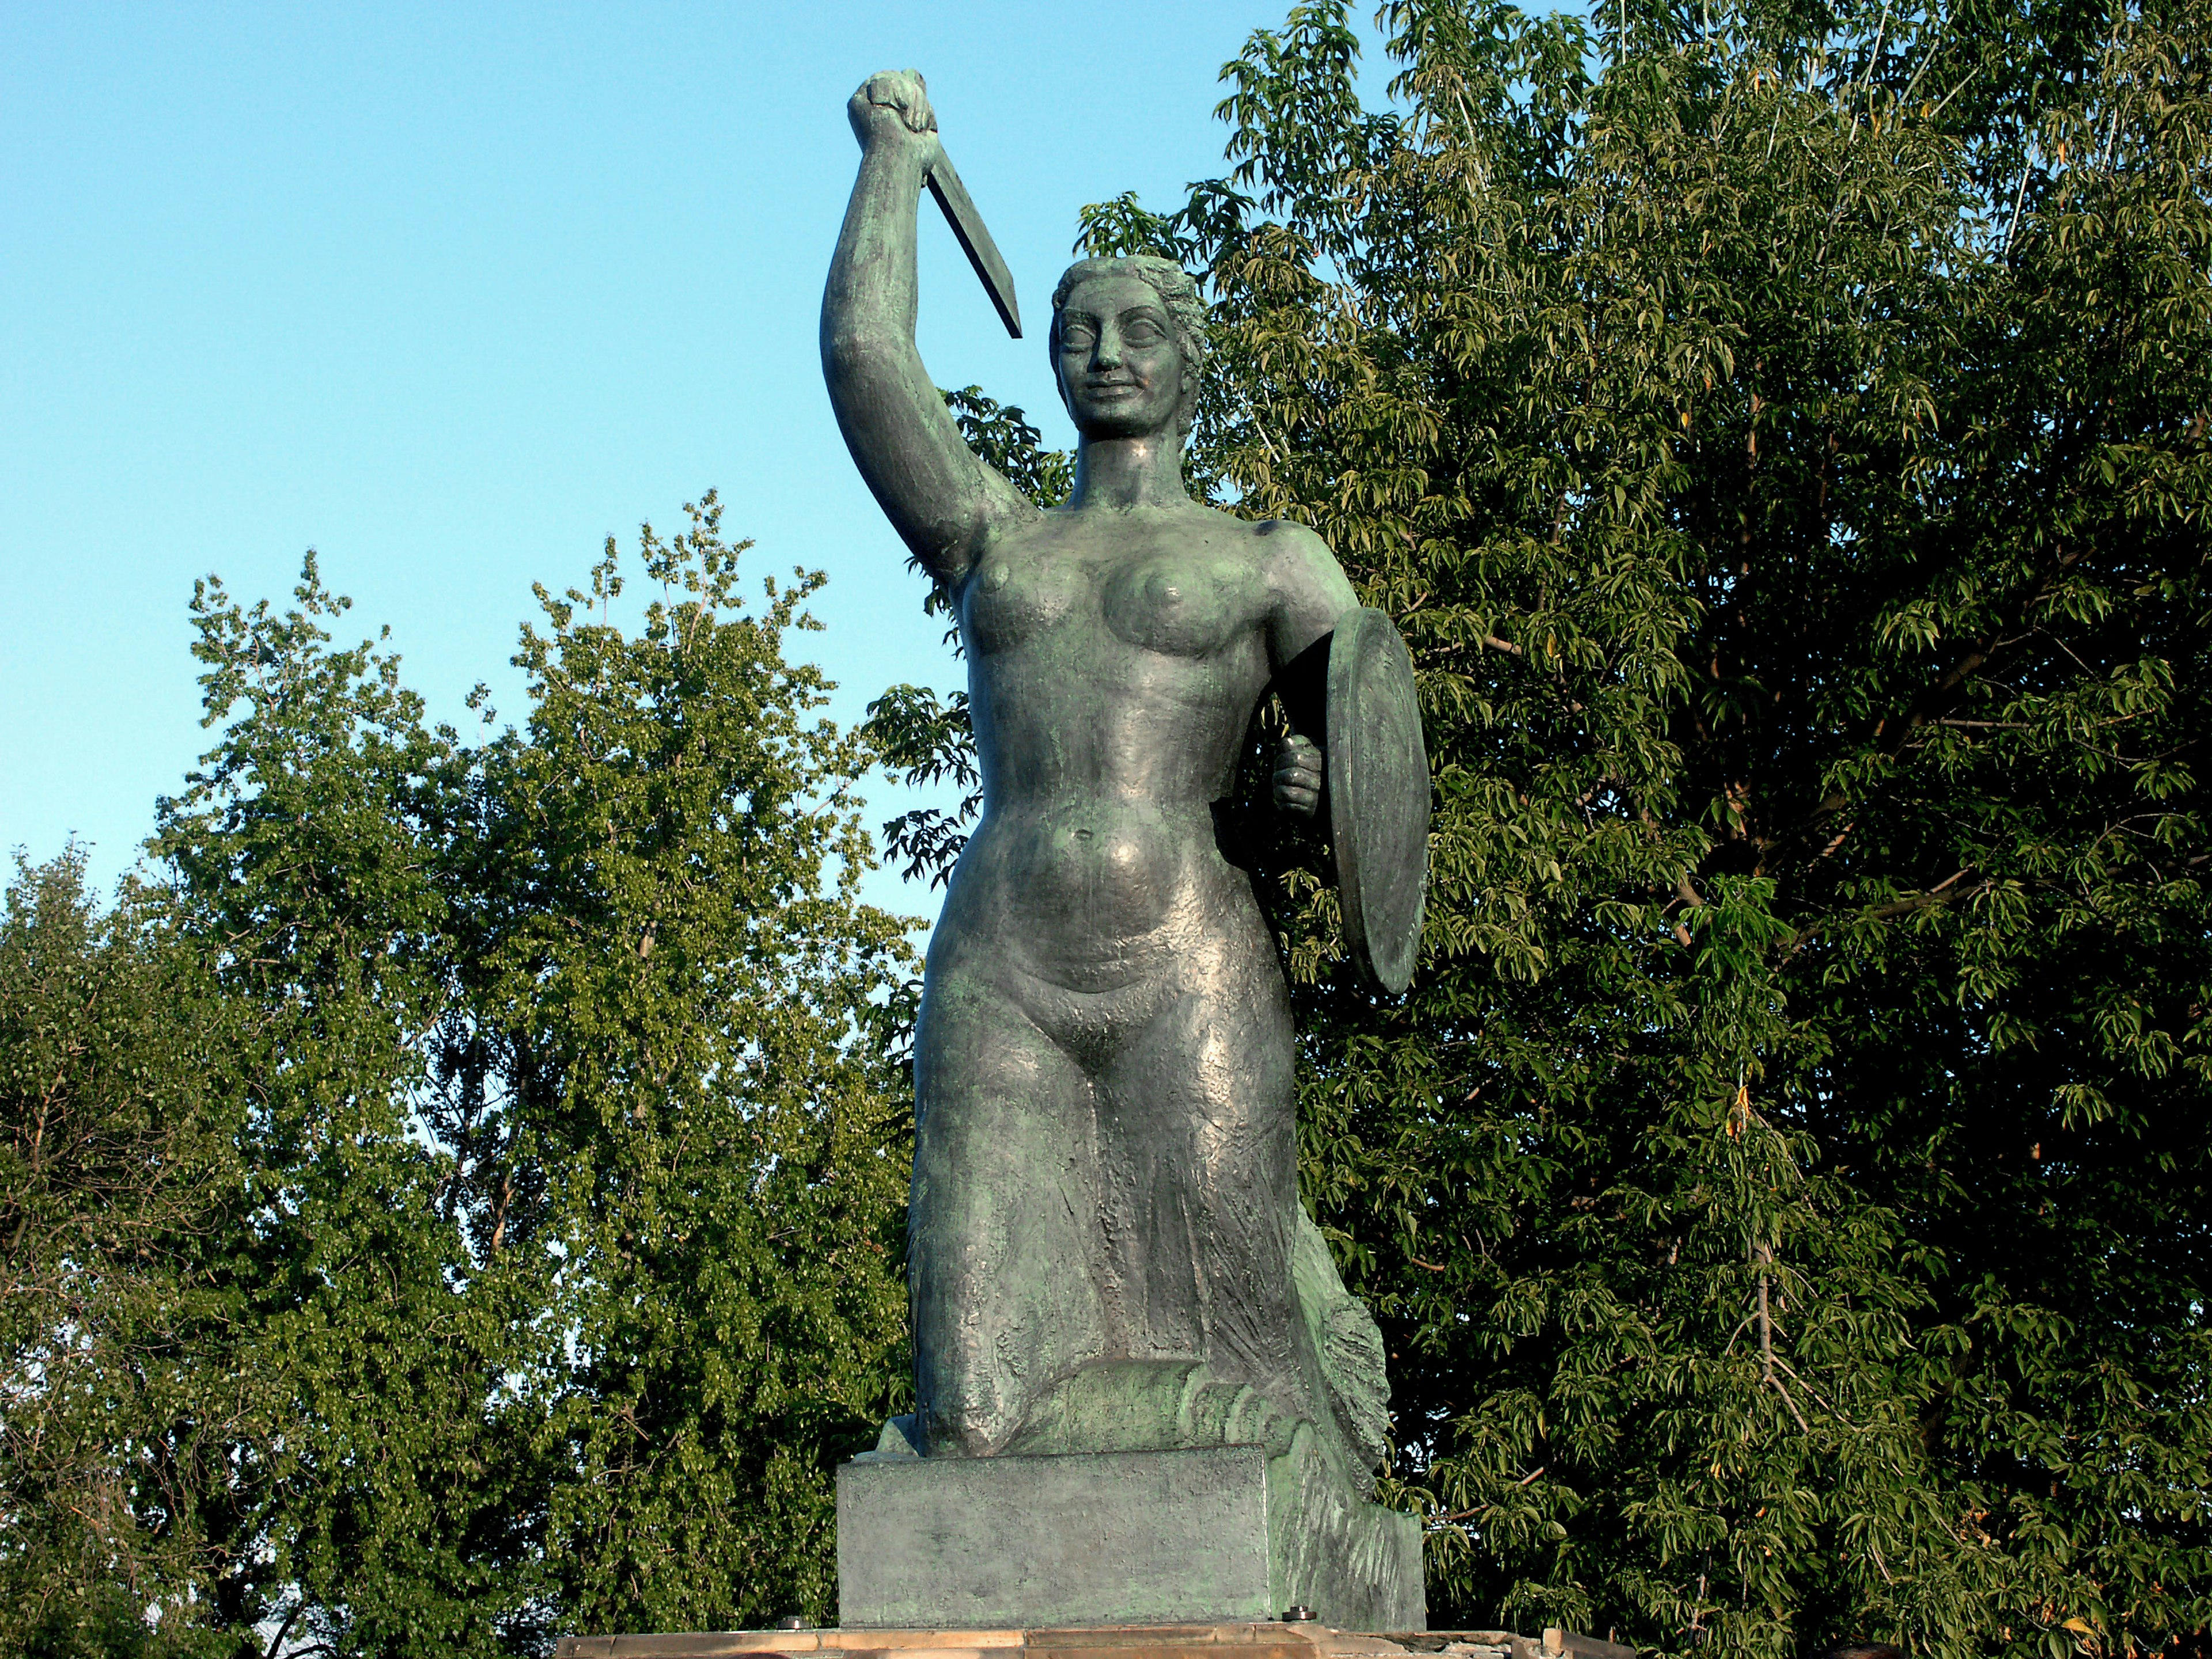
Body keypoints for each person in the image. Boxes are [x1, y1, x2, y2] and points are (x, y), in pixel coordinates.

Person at [821, 69, 1388, 1488]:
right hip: (1003, 963)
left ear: (1193, 365)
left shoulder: (1272, 559)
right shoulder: (994, 539)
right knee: (968, 1413)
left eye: (1139, 330)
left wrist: (1302, 799)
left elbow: (1376, 764)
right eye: (1077, 332)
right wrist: (893, 165)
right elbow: (866, 364)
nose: (1105, 351)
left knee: (1243, 1374)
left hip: (1185, 965)